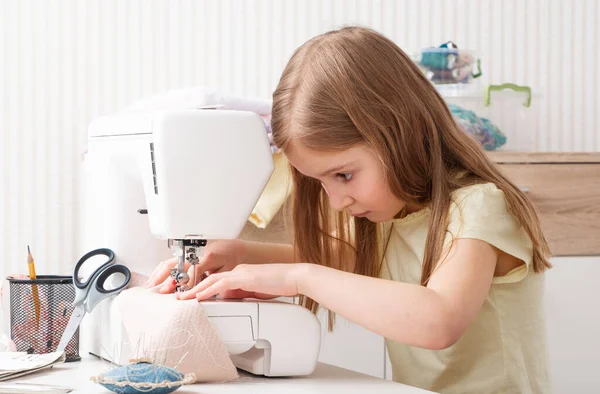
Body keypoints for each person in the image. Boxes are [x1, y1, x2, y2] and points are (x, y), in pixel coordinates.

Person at [147, 26, 552, 394]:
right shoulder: (395, 215)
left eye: (343, 175)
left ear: (398, 131)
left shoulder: (479, 206)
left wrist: (297, 277)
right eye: (321, 182)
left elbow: (438, 320)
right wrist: (241, 255)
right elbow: (344, 260)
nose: (337, 201)